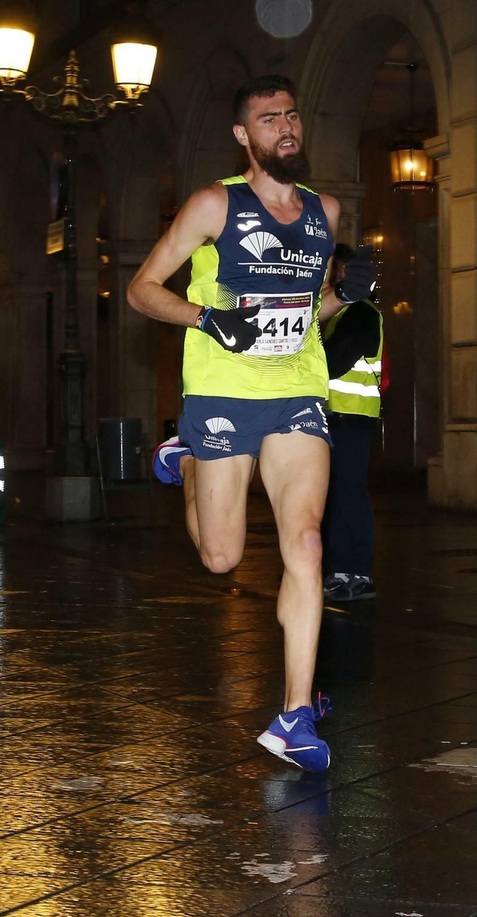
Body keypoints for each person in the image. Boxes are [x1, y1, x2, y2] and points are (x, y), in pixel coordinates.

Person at [127, 74, 377, 772]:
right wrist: (209, 318)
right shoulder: (215, 204)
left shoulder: (324, 211)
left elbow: (311, 309)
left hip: (297, 390)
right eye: (270, 119)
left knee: (306, 545)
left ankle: (295, 715)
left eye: (292, 115)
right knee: (221, 557)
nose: (286, 127)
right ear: (243, 135)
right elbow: (141, 289)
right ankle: (185, 456)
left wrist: (345, 295)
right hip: (222, 391)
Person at [320, 244, 384, 602]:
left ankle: (353, 572)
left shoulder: (359, 311)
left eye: (332, 269)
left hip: (348, 418)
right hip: (341, 418)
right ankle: (343, 571)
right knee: (340, 495)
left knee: (347, 495)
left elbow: (333, 362)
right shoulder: (346, 314)